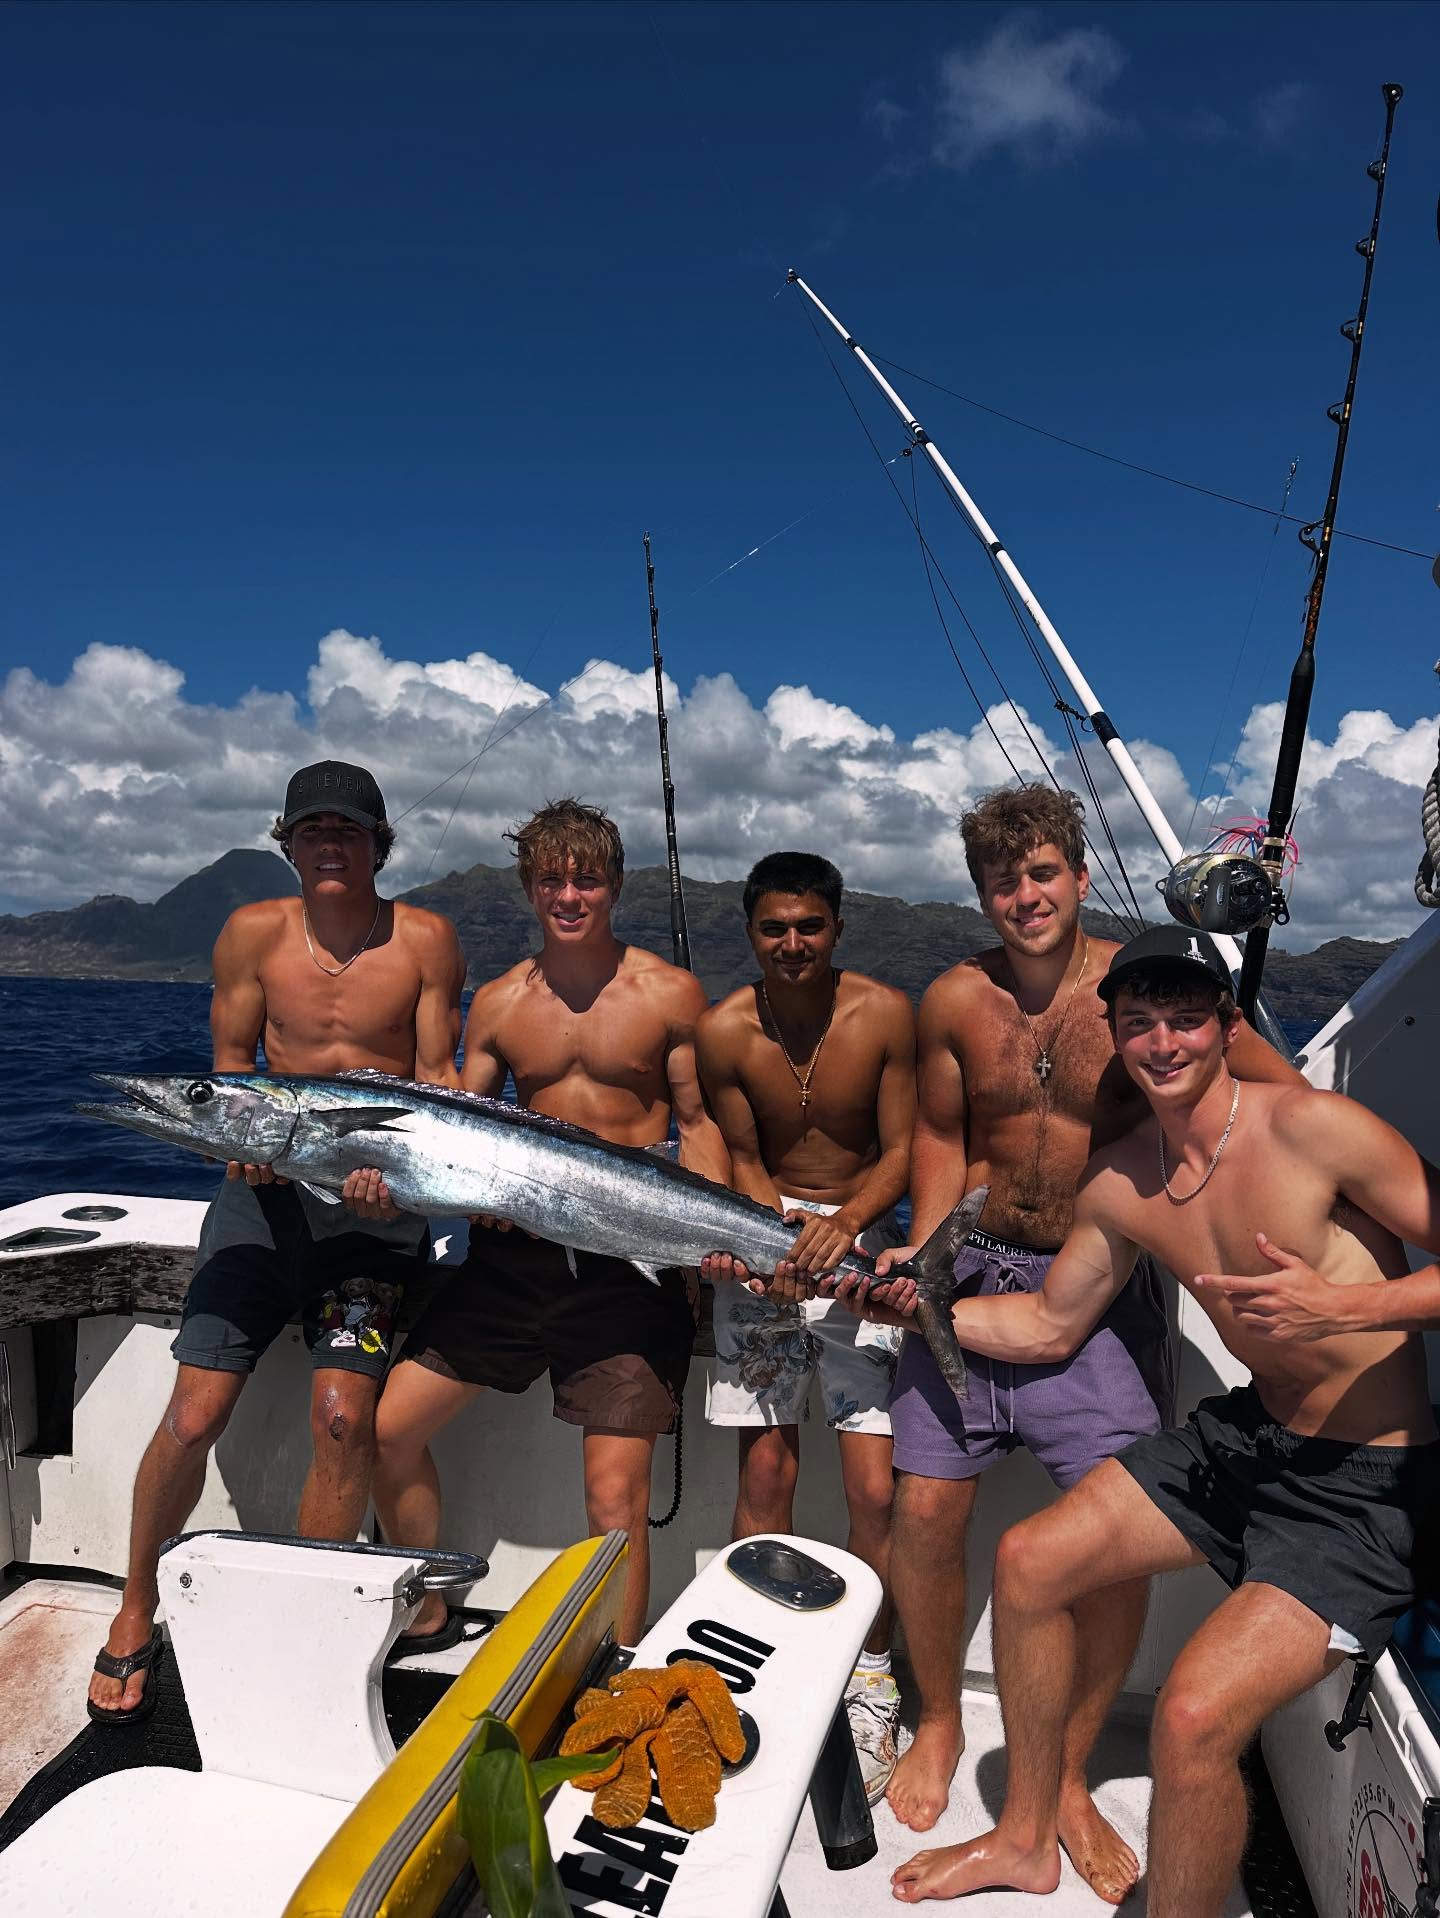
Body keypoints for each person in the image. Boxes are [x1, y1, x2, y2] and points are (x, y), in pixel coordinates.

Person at [866, 925, 1440, 1912]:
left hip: (1367, 1479)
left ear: (1224, 1026)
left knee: (1190, 1717)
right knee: (1030, 1562)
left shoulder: (1316, 1126)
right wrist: (907, 1302)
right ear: (1117, 1036)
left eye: (1185, 1017)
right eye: (1141, 1022)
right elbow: (1049, 1325)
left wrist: (1346, 1306)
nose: (1164, 1041)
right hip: (1250, 1437)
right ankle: (1022, 1838)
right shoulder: (1124, 1179)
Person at [870, 784, 1302, 1901]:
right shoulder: (953, 999)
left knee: (1108, 1537)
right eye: (1004, 880)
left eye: (1045, 872)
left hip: (1099, 1290)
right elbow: (935, 1133)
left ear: (1076, 873)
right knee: (923, 1508)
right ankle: (931, 1716)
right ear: (982, 892)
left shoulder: (1140, 992)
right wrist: (919, 1262)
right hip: (966, 1275)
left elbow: (1278, 1099)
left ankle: (1061, 1772)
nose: (1027, 896)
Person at [87, 760, 466, 1723]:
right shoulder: (251, 933)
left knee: (344, 1419)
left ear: (380, 844)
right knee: (192, 1414)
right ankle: (136, 1606)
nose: (329, 845)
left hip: (376, 1221)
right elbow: (229, 1070)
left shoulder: (426, 940)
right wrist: (239, 1149)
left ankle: (308, 1629)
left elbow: (433, 1083)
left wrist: (400, 1193)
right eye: (311, 831)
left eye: (348, 830)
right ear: (287, 843)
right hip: (261, 1207)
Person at [365, 798, 729, 1649]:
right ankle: (426, 1606)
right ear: (531, 888)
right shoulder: (496, 1003)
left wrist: (714, 1232)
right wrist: (386, 1179)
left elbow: (700, 1121)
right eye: (552, 880)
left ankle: (615, 1677)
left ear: (615, 886)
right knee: (389, 1431)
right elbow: (460, 1126)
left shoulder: (670, 992)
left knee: (614, 1500)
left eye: (587, 879)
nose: (570, 896)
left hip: (629, 1268)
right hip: (509, 1260)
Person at [694, 851, 916, 1803]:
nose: (792, 943)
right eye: (774, 928)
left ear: (837, 928)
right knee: (767, 1467)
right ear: (751, 933)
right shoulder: (724, 1030)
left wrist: (845, 1229)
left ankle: (872, 1678)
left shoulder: (884, 1016)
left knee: (874, 1483)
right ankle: (762, 1660)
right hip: (765, 1249)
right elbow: (744, 1152)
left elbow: (905, 1149)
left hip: (860, 1243)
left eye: (810, 926)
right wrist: (766, 1240)